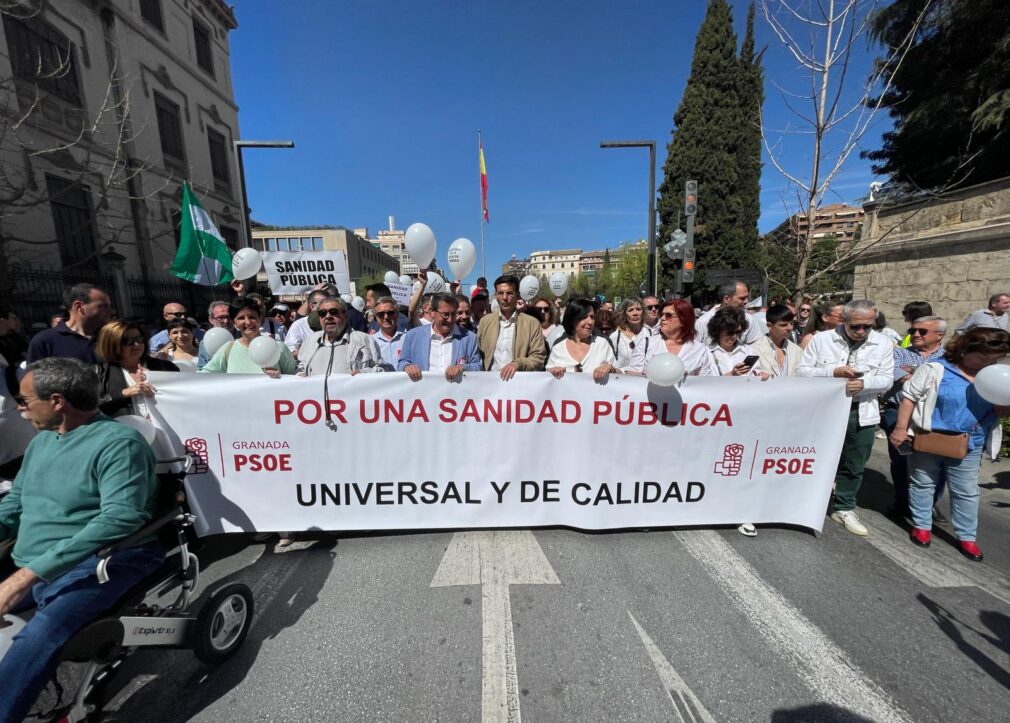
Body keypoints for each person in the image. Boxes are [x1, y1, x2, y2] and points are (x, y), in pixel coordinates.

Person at [0, 358, 165, 722]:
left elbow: (121, 517)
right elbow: (16, 501)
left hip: (103, 559)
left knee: (41, 635)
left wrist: (27, 575)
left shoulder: (118, 443)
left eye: (24, 401)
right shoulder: (43, 441)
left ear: (57, 401)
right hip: (36, 561)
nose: (20, 408)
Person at [888, 328, 1010, 560]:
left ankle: (967, 537)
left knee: (966, 492)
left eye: (993, 359)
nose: (987, 363)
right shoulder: (936, 369)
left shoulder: (994, 375)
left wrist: (1004, 407)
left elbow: (1000, 408)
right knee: (922, 483)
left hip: (968, 443)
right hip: (928, 437)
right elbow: (909, 397)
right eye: (982, 357)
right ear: (965, 349)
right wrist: (901, 429)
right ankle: (922, 526)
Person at [796, 299, 895, 536]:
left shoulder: (883, 344)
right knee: (815, 457)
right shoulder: (822, 339)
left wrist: (863, 384)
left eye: (867, 326)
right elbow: (802, 372)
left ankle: (844, 506)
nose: (861, 331)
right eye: (855, 326)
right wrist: (833, 372)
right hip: (825, 411)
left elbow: (887, 379)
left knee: (855, 461)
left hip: (860, 411)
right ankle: (804, 502)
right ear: (844, 322)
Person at [880, 316, 948, 519]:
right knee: (901, 460)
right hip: (898, 412)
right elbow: (890, 372)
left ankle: (929, 504)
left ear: (939, 335)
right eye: (912, 331)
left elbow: (949, 382)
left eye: (922, 331)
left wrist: (912, 373)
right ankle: (902, 501)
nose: (915, 335)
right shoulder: (899, 353)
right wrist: (926, 377)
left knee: (938, 462)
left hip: (935, 416)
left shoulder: (950, 358)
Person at [95, 321, 179, 418]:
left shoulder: (166, 367)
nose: (136, 344)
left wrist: (157, 378)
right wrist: (124, 393)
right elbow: (88, 406)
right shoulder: (100, 373)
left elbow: (182, 395)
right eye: (127, 341)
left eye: (140, 339)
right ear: (112, 344)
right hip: (125, 430)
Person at [201, 298, 298, 376]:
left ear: (260, 319)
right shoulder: (227, 349)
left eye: (252, 317)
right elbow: (204, 377)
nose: (248, 322)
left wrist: (279, 377)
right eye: (241, 318)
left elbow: (296, 376)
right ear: (234, 322)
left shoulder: (278, 347)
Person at [477, 275, 547, 380]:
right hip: (490, 387)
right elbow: (477, 356)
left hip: (518, 387)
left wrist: (518, 364)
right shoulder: (485, 322)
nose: (504, 298)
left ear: (517, 295)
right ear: (496, 296)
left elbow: (539, 358)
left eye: (509, 293)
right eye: (500, 293)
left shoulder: (532, 323)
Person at [398, 293, 481, 381]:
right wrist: (407, 367)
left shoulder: (469, 338)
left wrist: (463, 367)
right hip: (423, 393)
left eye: (453, 314)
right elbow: (402, 363)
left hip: (456, 393)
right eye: (445, 314)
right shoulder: (413, 336)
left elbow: (478, 367)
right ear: (432, 312)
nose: (450, 319)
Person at [299, 297, 387, 376]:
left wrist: (364, 373)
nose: (328, 316)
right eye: (322, 313)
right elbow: (299, 367)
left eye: (334, 312)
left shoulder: (365, 340)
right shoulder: (310, 341)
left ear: (345, 314)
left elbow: (383, 370)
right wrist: (301, 375)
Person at [627, 298, 715, 376]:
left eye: (668, 315)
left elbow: (704, 383)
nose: (662, 318)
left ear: (683, 320)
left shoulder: (699, 350)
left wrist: (688, 379)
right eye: (662, 314)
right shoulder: (646, 344)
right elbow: (632, 377)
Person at [26, 283, 111, 364]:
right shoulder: (44, 341)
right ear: (79, 306)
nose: (110, 311)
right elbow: (33, 377)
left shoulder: (112, 337)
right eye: (102, 306)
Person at [546, 298, 618, 381]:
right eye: (584, 317)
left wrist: (611, 369)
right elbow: (547, 381)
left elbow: (621, 376)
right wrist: (552, 373)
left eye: (592, 317)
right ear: (572, 320)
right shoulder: (558, 349)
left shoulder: (602, 344)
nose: (590, 322)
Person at [696, 281, 764, 346]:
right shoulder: (704, 321)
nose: (746, 301)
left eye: (737, 332)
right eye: (742, 298)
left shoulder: (748, 319)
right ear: (727, 299)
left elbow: (757, 345)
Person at [707, 307, 763, 378]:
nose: (734, 336)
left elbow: (757, 371)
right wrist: (732, 374)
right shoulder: (708, 353)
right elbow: (708, 382)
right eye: (730, 332)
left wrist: (760, 374)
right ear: (718, 331)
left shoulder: (748, 350)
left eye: (738, 332)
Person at [752, 304, 803, 379]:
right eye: (783, 325)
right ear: (769, 326)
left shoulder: (797, 350)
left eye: (792, 323)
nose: (790, 328)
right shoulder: (754, 349)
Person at [608, 298, 649, 371]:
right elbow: (610, 362)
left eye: (638, 309)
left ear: (643, 312)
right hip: (623, 380)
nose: (635, 313)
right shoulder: (615, 337)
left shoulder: (650, 334)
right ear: (624, 314)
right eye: (630, 310)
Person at [196, 300, 237, 370]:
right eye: (221, 318)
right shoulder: (205, 342)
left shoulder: (243, 337)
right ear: (211, 320)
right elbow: (202, 367)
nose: (226, 321)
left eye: (228, 317)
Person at [371, 296, 407, 369]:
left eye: (390, 313)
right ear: (376, 317)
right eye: (381, 314)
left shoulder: (408, 337)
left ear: (397, 314)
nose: (386, 317)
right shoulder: (371, 341)